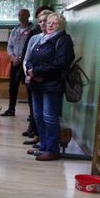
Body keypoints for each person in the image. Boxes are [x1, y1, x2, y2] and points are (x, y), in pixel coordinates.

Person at [26, 13, 75, 161]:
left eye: (55, 23)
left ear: (61, 25)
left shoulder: (63, 40)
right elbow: (30, 58)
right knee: (38, 116)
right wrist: (31, 71)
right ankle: (44, 145)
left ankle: (52, 150)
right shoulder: (43, 39)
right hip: (37, 84)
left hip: (52, 85)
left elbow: (61, 63)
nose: (50, 25)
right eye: (49, 22)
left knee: (49, 117)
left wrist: (37, 71)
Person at [22, 9, 52, 144]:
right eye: (40, 21)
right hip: (32, 79)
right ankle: (38, 136)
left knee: (48, 114)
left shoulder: (57, 39)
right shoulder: (35, 38)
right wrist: (28, 74)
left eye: (46, 21)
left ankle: (47, 143)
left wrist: (37, 73)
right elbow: (26, 59)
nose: (43, 24)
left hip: (48, 81)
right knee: (36, 112)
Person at [1, 8, 35, 116]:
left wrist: (21, 58)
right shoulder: (15, 30)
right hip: (15, 62)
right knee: (13, 87)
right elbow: (9, 46)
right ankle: (11, 110)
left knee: (29, 88)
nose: (21, 17)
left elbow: (33, 47)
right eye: (19, 15)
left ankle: (32, 114)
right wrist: (12, 57)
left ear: (28, 16)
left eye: (24, 15)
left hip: (27, 63)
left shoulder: (34, 30)